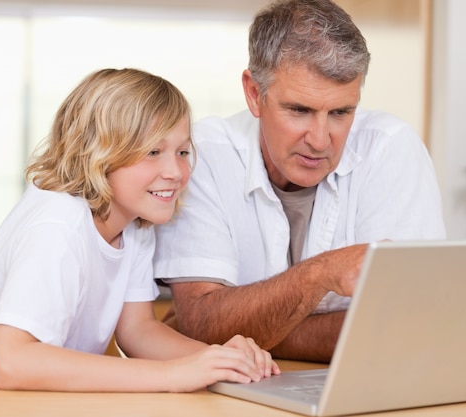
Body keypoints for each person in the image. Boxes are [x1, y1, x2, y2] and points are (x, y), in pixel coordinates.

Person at [0, 68, 279, 390]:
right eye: (153, 151)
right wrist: (173, 374)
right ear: (99, 155)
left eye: (182, 151)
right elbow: (11, 361)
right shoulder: (58, 224)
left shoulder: (135, 223)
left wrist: (216, 359)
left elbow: (137, 330)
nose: (176, 171)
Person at [153, 0, 446, 363]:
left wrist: (238, 331)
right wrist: (322, 273)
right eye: (299, 110)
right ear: (254, 93)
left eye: (341, 112)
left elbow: (410, 328)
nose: (320, 140)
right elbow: (205, 323)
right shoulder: (201, 156)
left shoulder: (390, 147)